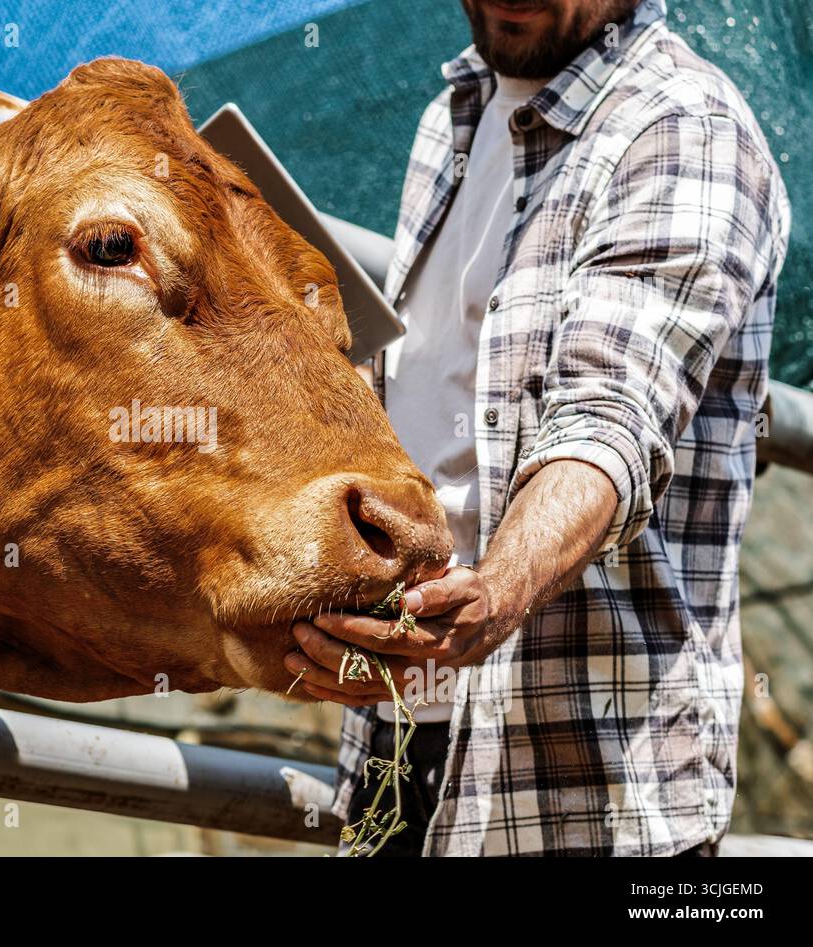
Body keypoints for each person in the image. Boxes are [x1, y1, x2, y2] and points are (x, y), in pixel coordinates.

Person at [283, 0, 790, 855]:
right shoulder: (447, 121)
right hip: (396, 743)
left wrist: (499, 587)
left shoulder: (682, 128)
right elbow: (424, 398)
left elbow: (610, 423)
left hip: (586, 787)